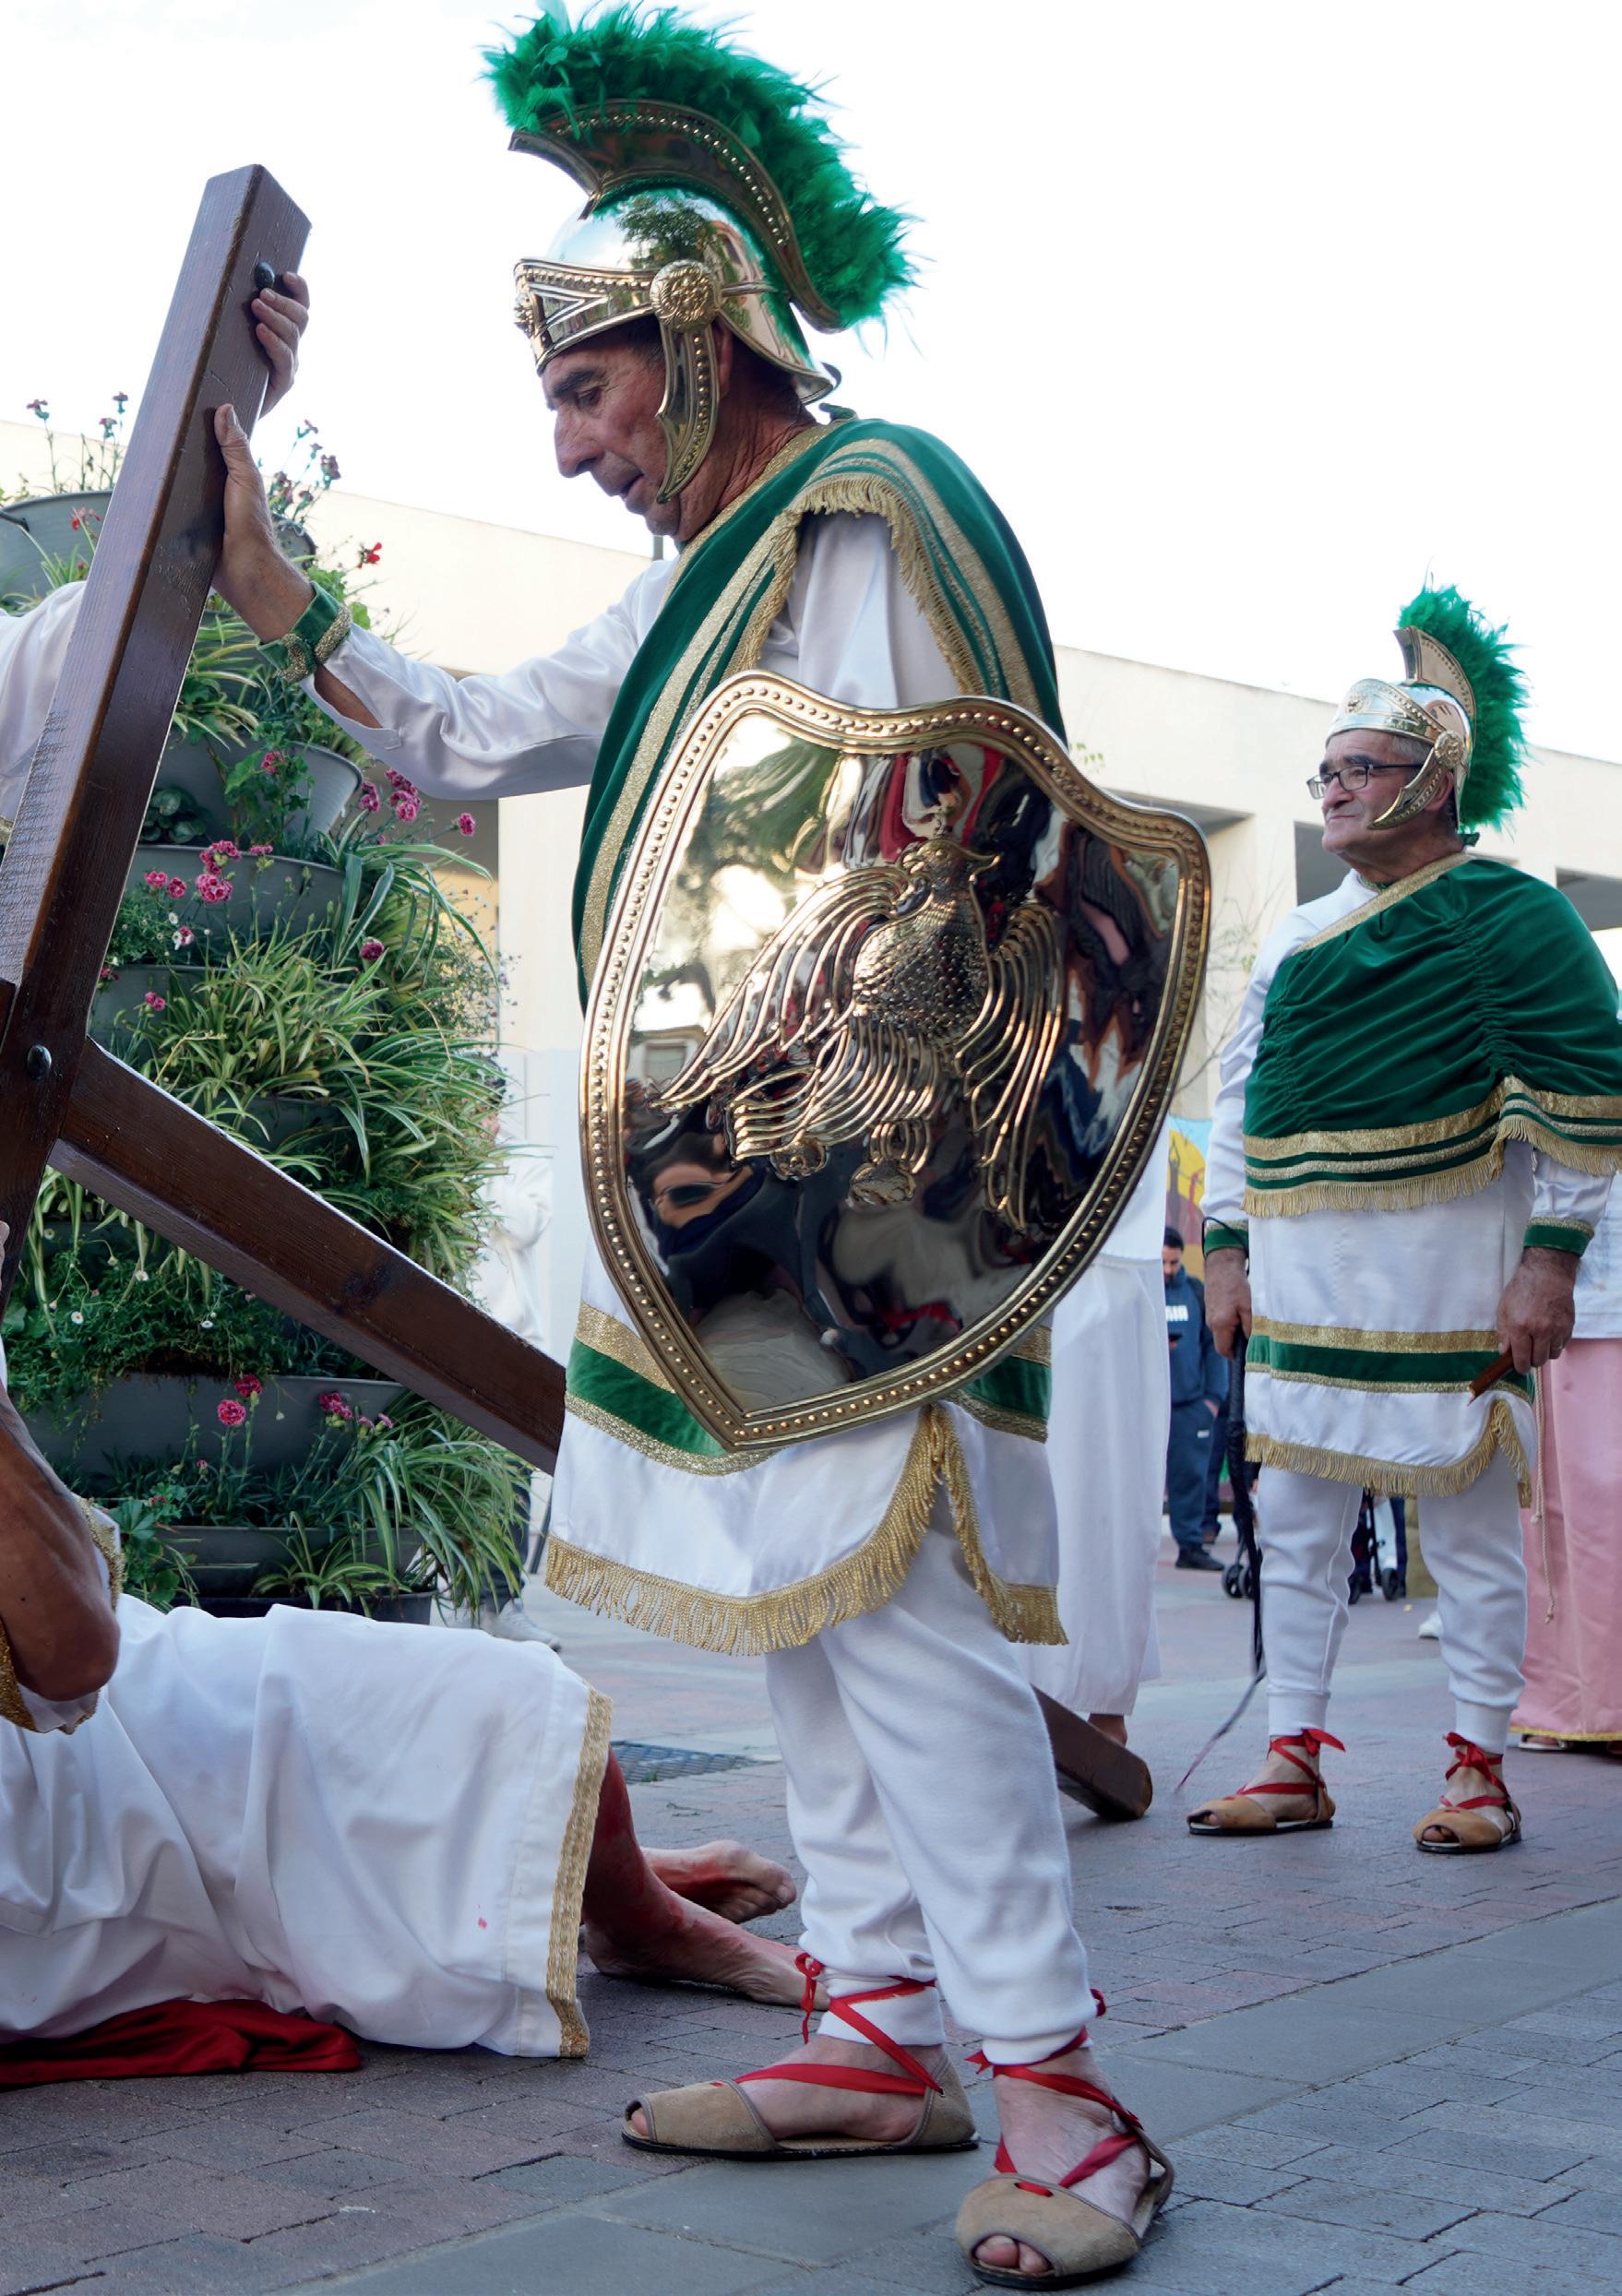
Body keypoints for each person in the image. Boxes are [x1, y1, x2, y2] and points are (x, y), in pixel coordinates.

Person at [9, 14, 1173, 2280]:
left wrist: (853, 1159)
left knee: (898, 1612)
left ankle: (1067, 2092)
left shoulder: (880, 511)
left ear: (703, 332)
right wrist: (284, 600)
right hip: (746, 1200)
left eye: (590, 389)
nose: (572, 446)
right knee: (803, 1611)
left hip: (878, 1193)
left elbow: (949, 854)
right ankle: (880, 2023)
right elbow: (478, 733)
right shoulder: (700, 579)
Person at [0, 1314, 809, 2061]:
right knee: (460, 1732)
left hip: (99, 1680)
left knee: (476, 1704)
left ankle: (601, 1881)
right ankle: (635, 1912)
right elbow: (68, 1662)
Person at [1191, 586, 1622, 1851]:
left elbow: (1588, 1093)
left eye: (1359, 769)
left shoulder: (1513, 916)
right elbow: (1238, 1102)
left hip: (1454, 1276)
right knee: (1292, 1522)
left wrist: (1550, 1264)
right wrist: (1224, 1249)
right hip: (1300, 1279)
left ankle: (1479, 1769)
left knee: (1472, 1529)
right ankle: (1292, 1756)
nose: (1331, 789)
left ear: (1434, 784)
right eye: (1324, 771)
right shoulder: (1295, 937)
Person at [1024, 1140, 1171, 1744]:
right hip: (1010, 1248)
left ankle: (1105, 1708)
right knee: (1020, 1489)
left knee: (1104, 1489)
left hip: (1104, 1247)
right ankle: (1023, 1696)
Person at [1514, 1181, 1622, 1753]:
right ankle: (1557, 1703)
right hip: (1545, 1287)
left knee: (1605, 1511)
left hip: (1607, 1292)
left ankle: (1609, 1703)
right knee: (1546, 1513)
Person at [1162, 1227, 1226, 1571]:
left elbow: (1213, 1349)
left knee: (1191, 1479)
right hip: (1149, 1408)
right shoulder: (1141, 1293)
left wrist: (1212, 1400)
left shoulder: (1194, 1292)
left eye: (1174, 1262)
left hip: (1189, 1406)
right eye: (1163, 1262)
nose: (1168, 1270)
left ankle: (1190, 1546)